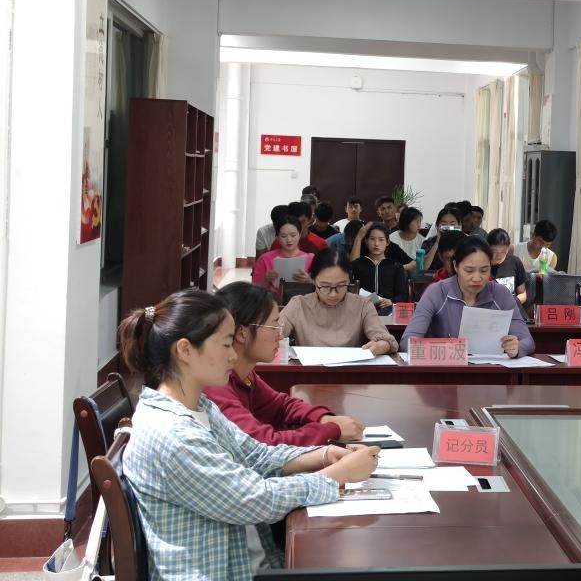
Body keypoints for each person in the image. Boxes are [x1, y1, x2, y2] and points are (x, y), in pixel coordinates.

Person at [119, 289, 379, 581]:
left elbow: (255, 454)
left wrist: (323, 455)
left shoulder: (198, 405)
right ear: (185, 350)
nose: (233, 355)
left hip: (247, 562)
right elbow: (254, 500)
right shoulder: (174, 436)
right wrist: (337, 475)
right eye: (225, 344)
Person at [207, 282, 366, 444]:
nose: (280, 335)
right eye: (273, 326)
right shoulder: (216, 384)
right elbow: (261, 442)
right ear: (242, 333)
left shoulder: (244, 374)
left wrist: (323, 418)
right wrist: (332, 430)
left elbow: (280, 406)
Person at [400, 236, 535, 357]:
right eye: (469, 270)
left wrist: (517, 347)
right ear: (456, 266)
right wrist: (448, 350)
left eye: (484, 270)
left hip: (490, 371)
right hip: (445, 370)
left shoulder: (501, 294)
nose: (477, 278)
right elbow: (408, 341)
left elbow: (527, 341)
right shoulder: (437, 292)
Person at [279, 249, 399, 353]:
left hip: (349, 370)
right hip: (308, 370)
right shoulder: (299, 304)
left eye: (341, 285)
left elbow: (386, 340)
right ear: (313, 280)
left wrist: (381, 346)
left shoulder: (363, 305)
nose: (333, 294)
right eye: (325, 286)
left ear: (349, 280)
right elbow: (275, 332)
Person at [351, 222, 409, 315]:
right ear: (366, 241)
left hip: (389, 311)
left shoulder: (396, 266)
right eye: (372, 239)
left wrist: (391, 301)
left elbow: (402, 295)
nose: (376, 244)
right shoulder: (357, 264)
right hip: (362, 311)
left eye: (381, 240)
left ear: (387, 242)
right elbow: (351, 291)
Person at [251, 215, 313, 296]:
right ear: (277, 237)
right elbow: (254, 290)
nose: (289, 240)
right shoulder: (264, 259)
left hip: (303, 300)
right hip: (273, 301)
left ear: (299, 234)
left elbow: (322, 287)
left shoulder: (311, 259)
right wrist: (265, 279)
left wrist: (309, 281)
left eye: (293, 235)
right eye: (283, 236)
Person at [488, 228, 528, 311]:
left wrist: (511, 303)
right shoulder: (482, 265)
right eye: (494, 251)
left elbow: (523, 293)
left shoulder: (515, 262)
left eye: (503, 251)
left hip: (512, 309)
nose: (499, 255)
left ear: (508, 248)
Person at [420, 206, 463, 271]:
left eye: (452, 225)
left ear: (459, 225)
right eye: (444, 224)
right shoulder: (429, 242)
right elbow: (423, 267)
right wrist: (437, 242)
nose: (448, 227)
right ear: (437, 225)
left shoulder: (466, 242)